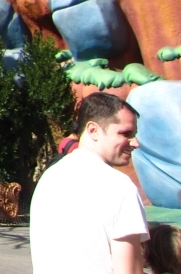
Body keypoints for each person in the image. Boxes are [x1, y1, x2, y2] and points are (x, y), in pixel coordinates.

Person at [30, 92, 148, 274]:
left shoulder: (48, 178)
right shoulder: (119, 186)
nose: (135, 143)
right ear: (93, 130)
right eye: (126, 133)